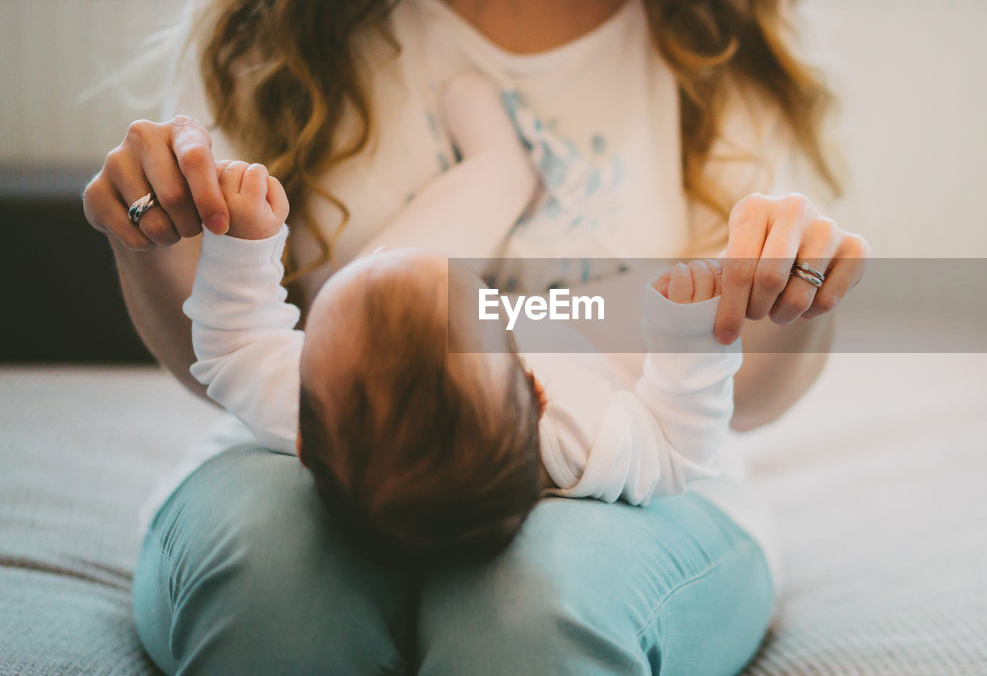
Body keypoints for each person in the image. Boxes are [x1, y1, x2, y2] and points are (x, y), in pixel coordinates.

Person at [81, 0, 869, 676]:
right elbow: (226, 350)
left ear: (537, 399)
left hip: (622, 500)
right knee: (276, 607)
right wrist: (146, 238)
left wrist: (782, 293)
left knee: (534, 626)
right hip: (318, 464)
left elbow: (718, 413)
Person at [184, 70, 743, 570]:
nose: (386, 252)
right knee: (642, 290)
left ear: (305, 443)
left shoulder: (321, 405)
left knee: (416, 273)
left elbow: (235, 348)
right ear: (535, 389)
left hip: (520, 326)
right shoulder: (578, 441)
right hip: (580, 340)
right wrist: (688, 339)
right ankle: (506, 169)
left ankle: (498, 175)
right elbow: (679, 450)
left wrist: (245, 245)